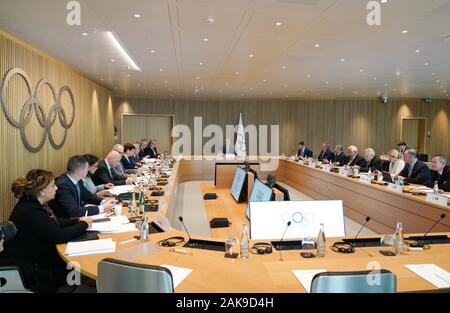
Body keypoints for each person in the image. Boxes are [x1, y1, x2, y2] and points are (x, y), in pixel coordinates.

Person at [4, 169, 92, 292]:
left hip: (40, 256)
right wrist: (83, 224)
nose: (56, 188)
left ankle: (83, 280)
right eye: (53, 186)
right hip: (33, 266)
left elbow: (53, 221)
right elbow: (58, 235)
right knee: (74, 261)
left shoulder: (35, 202)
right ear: (42, 191)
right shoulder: (31, 210)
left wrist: (77, 221)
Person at [50, 156, 116, 218]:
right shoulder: (62, 185)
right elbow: (74, 211)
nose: (88, 170)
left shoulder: (78, 180)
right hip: (66, 221)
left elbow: (88, 196)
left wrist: (104, 201)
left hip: (79, 216)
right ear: (80, 172)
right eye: (87, 168)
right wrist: (102, 208)